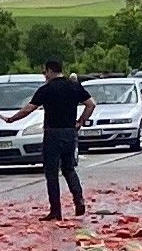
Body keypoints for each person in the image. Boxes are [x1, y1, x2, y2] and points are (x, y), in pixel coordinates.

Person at [13, 59, 91, 219]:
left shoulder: (46, 89)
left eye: (44, 72)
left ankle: (56, 211)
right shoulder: (74, 86)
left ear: (49, 71)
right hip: (70, 132)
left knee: (52, 173)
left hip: (52, 134)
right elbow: (91, 104)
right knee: (69, 169)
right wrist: (80, 122)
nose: (44, 75)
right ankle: (79, 200)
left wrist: (12, 119)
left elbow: (29, 108)